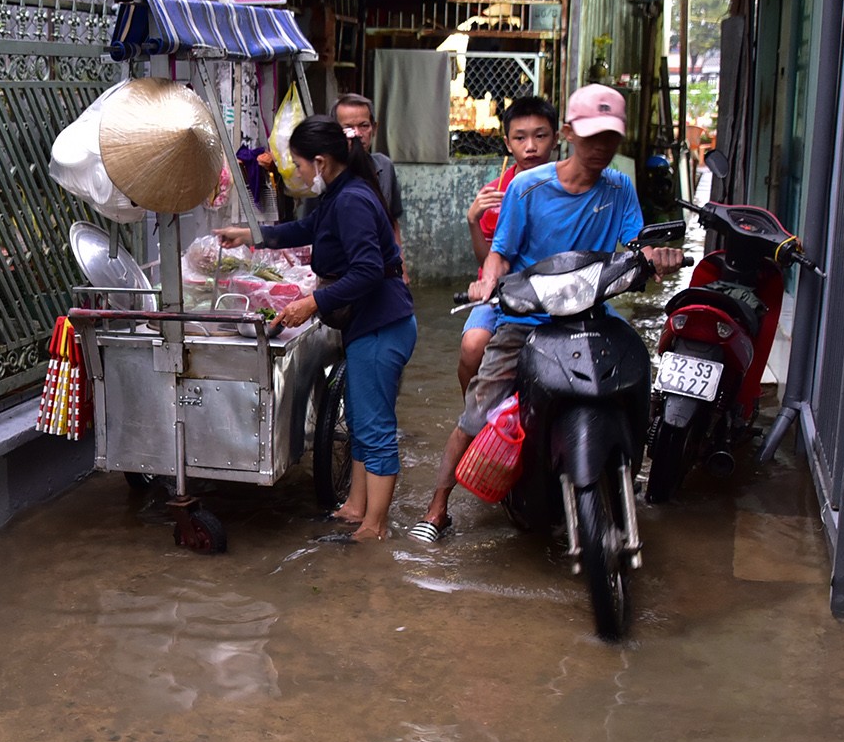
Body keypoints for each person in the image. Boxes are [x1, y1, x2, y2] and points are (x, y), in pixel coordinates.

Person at [410, 84, 682, 544]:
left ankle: (630, 462)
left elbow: (638, 245)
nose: (601, 147)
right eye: (592, 136)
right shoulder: (526, 187)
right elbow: (500, 253)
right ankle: (438, 505)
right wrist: (488, 281)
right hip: (528, 316)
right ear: (571, 134)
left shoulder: (619, 187)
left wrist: (658, 256)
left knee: (636, 374)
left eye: (610, 137)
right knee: (479, 409)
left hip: (591, 312)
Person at [216, 115, 416, 542]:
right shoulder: (339, 194)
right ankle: (357, 507)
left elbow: (367, 270)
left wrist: (312, 303)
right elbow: (305, 229)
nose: (300, 174)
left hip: (382, 325)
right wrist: (249, 234)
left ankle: (376, 527)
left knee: (375, 427)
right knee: (360, 419)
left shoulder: (352, 200)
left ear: (321, 162)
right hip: (369, 324)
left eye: (301, 165)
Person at [459, 96, 559, 391]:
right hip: (502, 293)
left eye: (540, 136)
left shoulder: (569, 189)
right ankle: (474, 413)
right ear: (507, 143)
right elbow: (487, 261)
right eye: (520, 138)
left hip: (557, 291)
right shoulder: (494, 194)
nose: (531, 146)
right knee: (472, 346)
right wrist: (473, 221)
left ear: (555, 139)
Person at [333, 94, 407, 275]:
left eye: (364, 126)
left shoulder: (384, 167)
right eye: (348, 128)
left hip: (383, 270)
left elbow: (392, 221)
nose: (357, 134)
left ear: (374, 128)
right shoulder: (326, 173)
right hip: (342, 273)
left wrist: (402, 268)